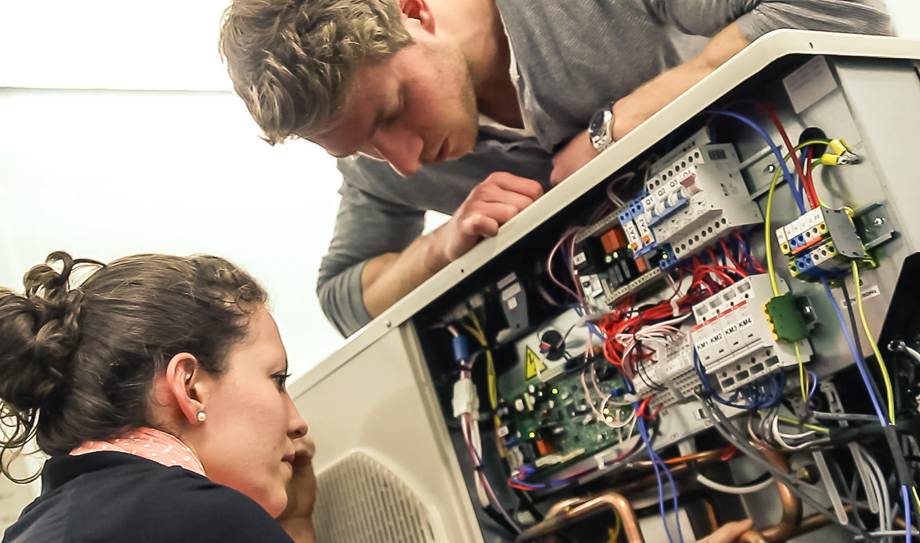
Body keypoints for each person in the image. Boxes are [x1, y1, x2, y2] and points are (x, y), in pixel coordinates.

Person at [0, 250, 751, 543]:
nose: (296, 419)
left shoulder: (74, 531)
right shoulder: (181, 522)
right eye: (276, 380)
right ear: (189, 386)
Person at [219, 0, 891, 337]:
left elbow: (841, 8)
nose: (403, 160)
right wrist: (439, 249)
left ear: (413, 12)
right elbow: (343, 301)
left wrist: (616, 129)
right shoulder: (386, 164)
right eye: (359, 150)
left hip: (853, 205)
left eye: (391, 111)